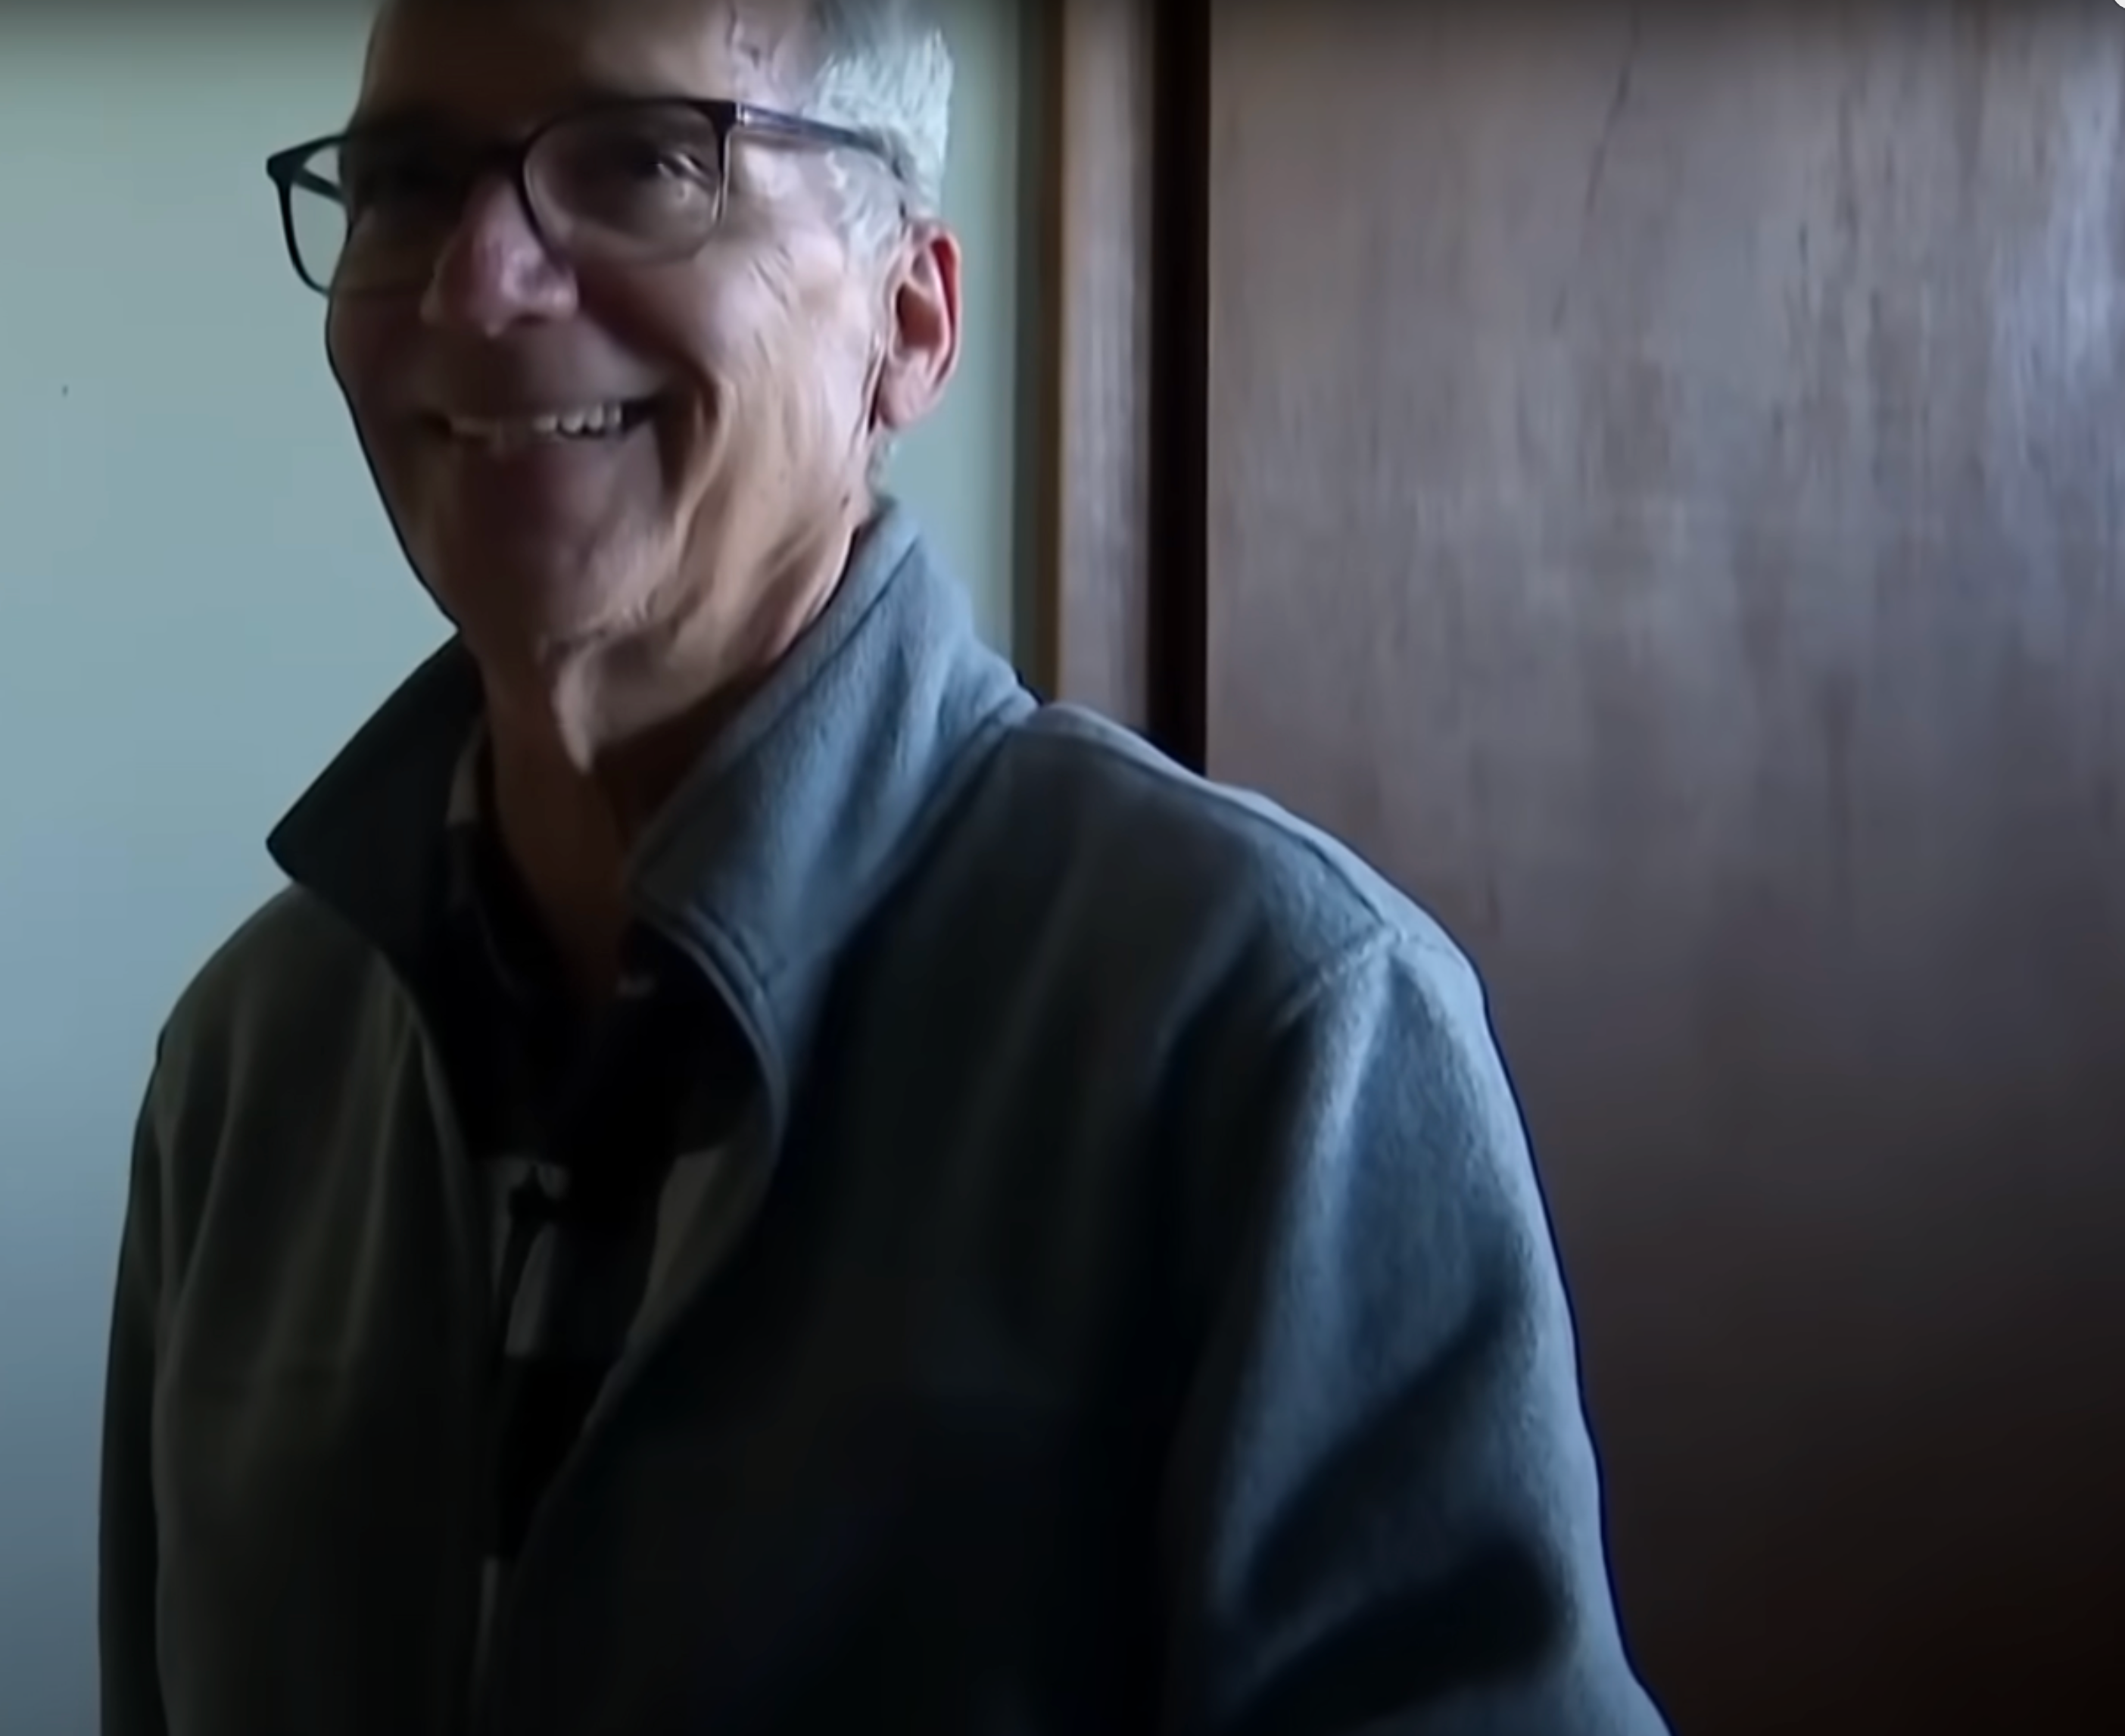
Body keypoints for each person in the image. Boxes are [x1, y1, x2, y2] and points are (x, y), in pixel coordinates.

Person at [99, 0, 1672, 1730]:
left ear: (907, 327)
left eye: (640, 163)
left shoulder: (1274, 1031)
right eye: (404, 184)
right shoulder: (252, 1070)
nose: (480, 287)